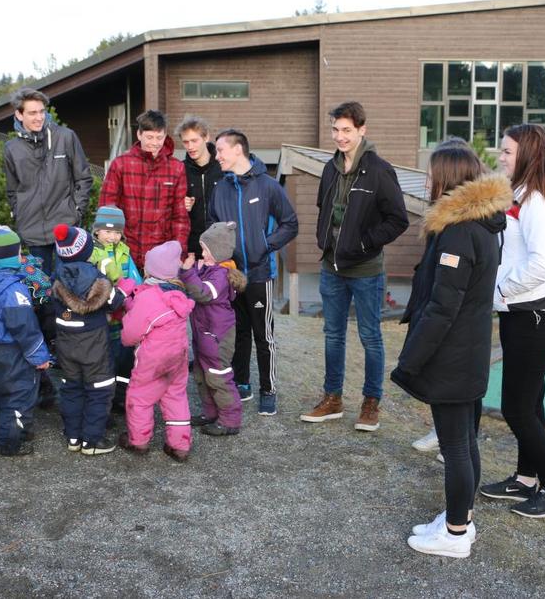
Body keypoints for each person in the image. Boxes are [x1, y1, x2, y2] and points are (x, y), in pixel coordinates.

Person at [389, 142, 511, 558]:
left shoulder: (459, 233)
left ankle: (456, 533)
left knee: (456, 445)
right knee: (465, 441)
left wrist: (411, 361)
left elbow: (443, 308)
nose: (426, 182)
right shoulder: (478, 225)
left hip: (453, 356)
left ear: (447, 180)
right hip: (469, 351)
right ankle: (462, 517)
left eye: (430, 175)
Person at [479, 124, 545, 518]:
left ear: (528, 155)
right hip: (521, 314)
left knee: (517, 409)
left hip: (536, 318)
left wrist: (499, 293)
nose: (500, 157)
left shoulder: (538, 200)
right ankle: (524, 480)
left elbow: (542, 265)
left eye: (506, 151)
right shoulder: (522, 192)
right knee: (531, 402)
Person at [301, 102, 409, 431]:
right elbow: (325, 207)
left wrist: (363, 243)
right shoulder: (330, 168)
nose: (340, 136)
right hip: (331, 268)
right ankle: (332, 399)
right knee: (333, 335)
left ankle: (370, 402)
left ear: (362, 130)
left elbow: (398, 220)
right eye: (335, 129)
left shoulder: (379, 170)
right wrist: (325, 240)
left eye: (347, 130)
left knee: (370, 337)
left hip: (365, 271)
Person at [208, 129, 298, 415]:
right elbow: (213, 229)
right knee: (239, 332)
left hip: (260, 274)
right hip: (232, 275)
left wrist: (265, 245)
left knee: (264, 335)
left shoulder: (268, 186)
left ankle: (268, 390)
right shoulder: (219, 188)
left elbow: (290, 223)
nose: (217, 156)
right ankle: (242, 383)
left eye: (221, 150)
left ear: (238, 150)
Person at [51, 224, 132, 456]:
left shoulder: (56, 278)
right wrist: (124, 286)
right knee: (99, 389)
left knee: (72, 388)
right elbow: (116, 302)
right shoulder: (98, 278)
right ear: (87, 251)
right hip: (94, 345)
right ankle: (92, 441)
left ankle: (73, 437)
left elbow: (51, 308)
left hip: (66, 344)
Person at [0, 227, 53, 456]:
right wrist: (41, 357)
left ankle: (11, 428)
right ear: (14, 258)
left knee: (3, 393)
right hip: (15, 352)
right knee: (19, 398)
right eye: (19, 253)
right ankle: (9, 443)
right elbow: (26, 330)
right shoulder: (15, 292)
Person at [118, 241, 196, 462]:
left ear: (150, 270)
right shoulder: (178, 295)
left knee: (140, 397)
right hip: (177, 357)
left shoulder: (148, 296)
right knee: (176, 397)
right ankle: (180, 445)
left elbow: (131, 333)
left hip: (153, 359)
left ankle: (138, 441)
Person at [3, 88, 93, 274]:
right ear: (19, 115)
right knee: (40, 289)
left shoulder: (66, 137)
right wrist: (19, 215)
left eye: (42, 111)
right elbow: (12, 190)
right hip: (32, 229)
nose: (39, 117)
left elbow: (83, 178)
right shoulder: (11, 148)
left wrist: (76, 212)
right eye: (32, 113)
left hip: (65, 226)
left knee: (66, 284)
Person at [180, 221, 246, 436]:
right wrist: (197, 270)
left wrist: (188, 273)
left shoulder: (220, 275)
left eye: (206, 250)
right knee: (202, 375)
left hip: (217, 338)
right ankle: (211, 412)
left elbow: (203, 294)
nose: (202, 253)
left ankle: (230, 420)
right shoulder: (211, 270)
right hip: (205, 336)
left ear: (218, 252)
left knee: (218, 376)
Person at [99, 110, 189, 269]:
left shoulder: (176, 168)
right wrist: (108, 250)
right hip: (125, 252)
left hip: (161, 253)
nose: (155, 143)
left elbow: (180, 218)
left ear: (165, 135)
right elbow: (107, 211)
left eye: (159, 138)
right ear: (139, 134)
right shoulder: (121, 164)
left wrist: (178, 253)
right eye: (149, 137)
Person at [88, 205, 143, 412]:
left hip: (122, 318)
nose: (112, 236)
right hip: (100, 318)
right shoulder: (92, 254)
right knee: (103, 360)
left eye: (117, 232)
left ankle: (121, 397)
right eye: (107, 231)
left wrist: (135, 297)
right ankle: (103, 400)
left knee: (124, 358)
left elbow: (134, 280)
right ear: (97, 231)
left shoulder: (124, 252)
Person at [179, 116, 223, 257]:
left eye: (194, 141)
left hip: (221, 248)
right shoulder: (179, 170)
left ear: (206, 137)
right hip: (192, 251)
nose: (190, 147)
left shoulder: (223, 167)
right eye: (186, 142)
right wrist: (181, 205)